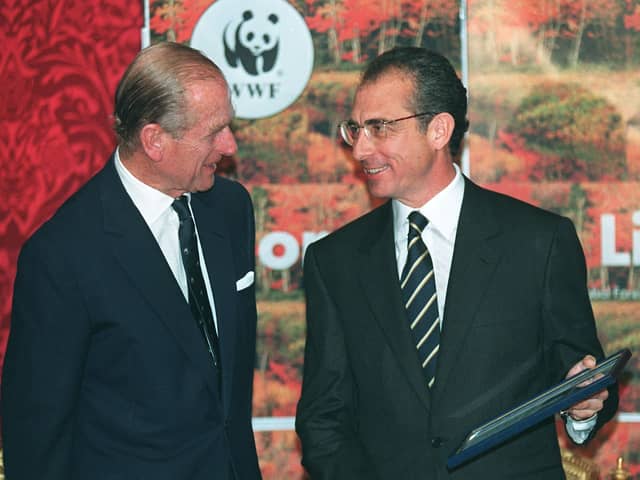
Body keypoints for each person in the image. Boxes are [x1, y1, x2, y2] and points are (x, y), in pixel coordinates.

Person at [295, 47, 618, 479]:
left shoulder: (537, 241)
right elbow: (323, 418)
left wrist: (585, 402)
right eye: (355, 128)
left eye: (380, 127)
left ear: (439, 130)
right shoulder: (333, 261)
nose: (361, 148)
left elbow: (582, 371)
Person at [2, 42, 261, 480]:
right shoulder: (62, 255)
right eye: (213, 131)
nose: (229, 145)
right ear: (155, 140)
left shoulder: (230, 208)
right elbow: (36, 431)